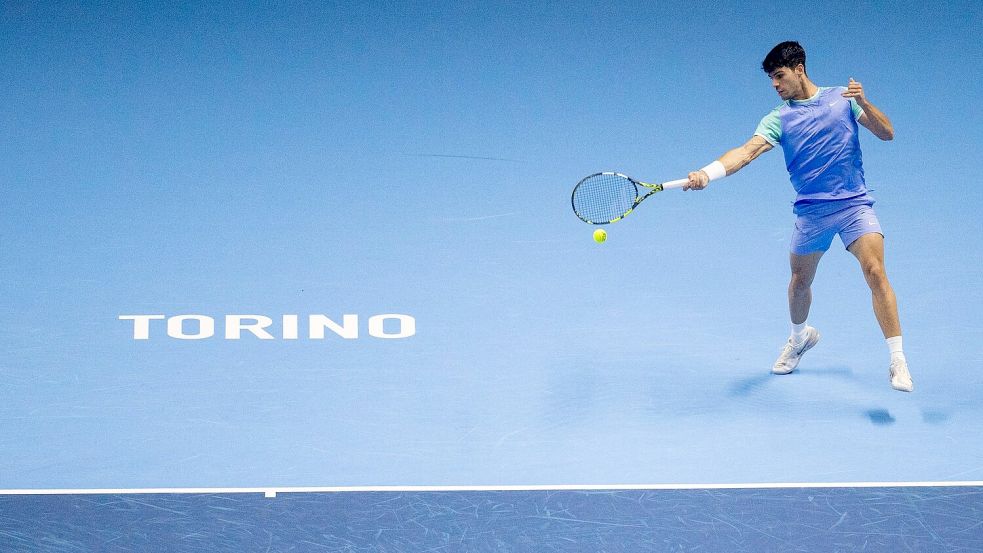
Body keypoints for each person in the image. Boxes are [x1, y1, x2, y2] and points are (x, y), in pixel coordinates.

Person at [683, 41, 913, 392]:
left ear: (799, 69)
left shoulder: (843, 99)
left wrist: (864, 102)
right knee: (799, 282)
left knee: (876, 271)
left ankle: (898, 360)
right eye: (771, 79)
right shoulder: (779, 118)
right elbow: (746, 153)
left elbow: (887, 133)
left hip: (853, 205)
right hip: (811, 212)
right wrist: (706, 173)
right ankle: (799, 337)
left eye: (779, 76)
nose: (775, 85)